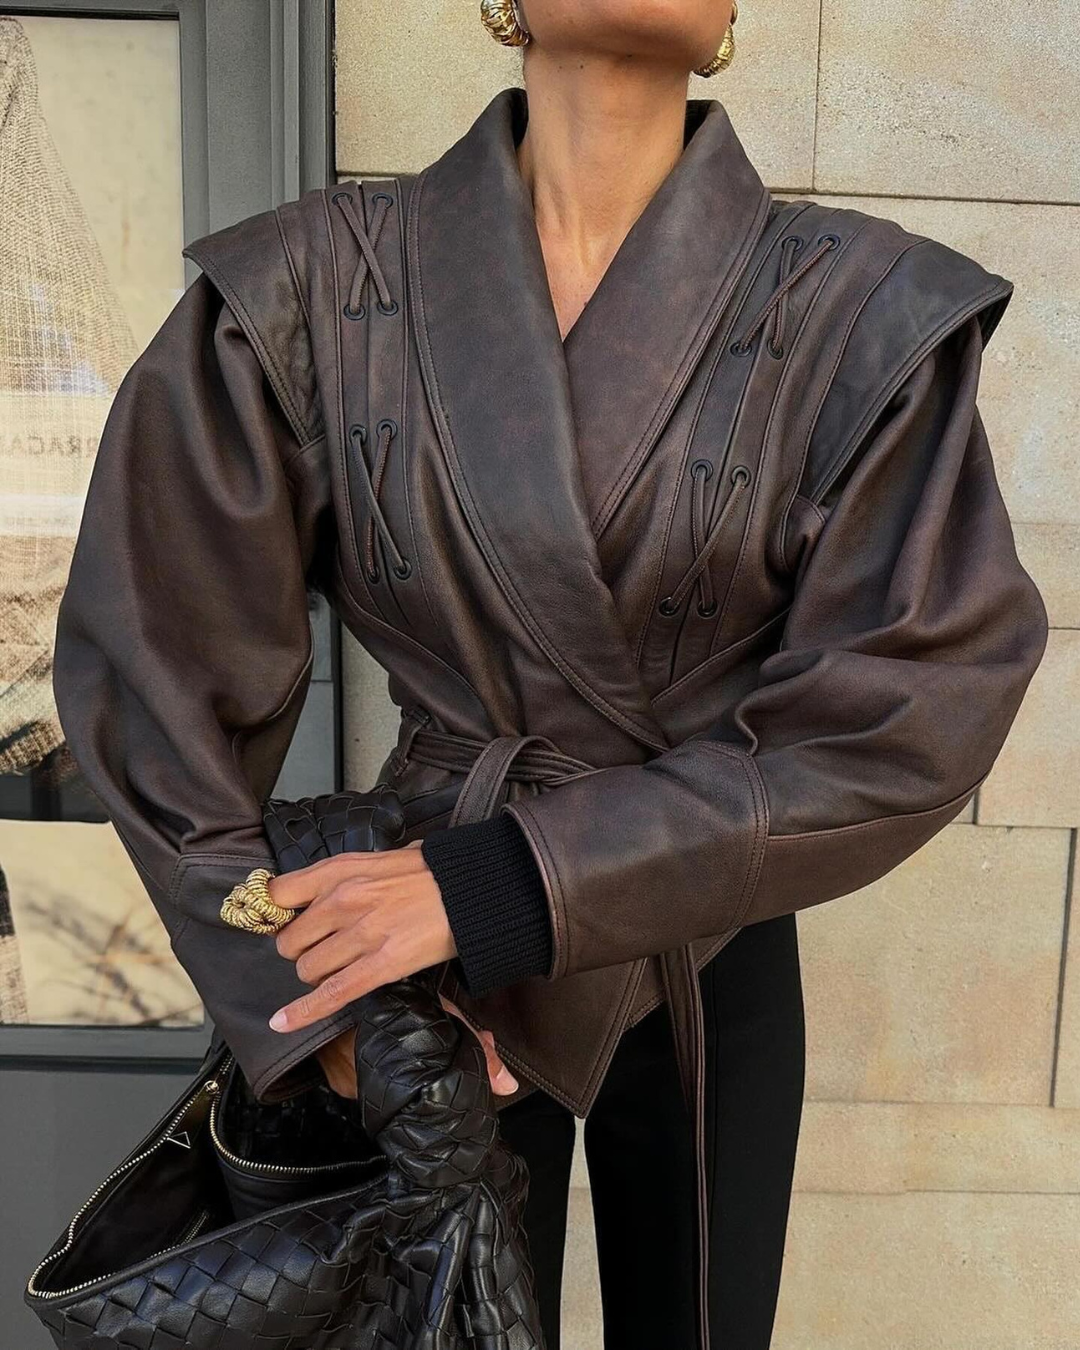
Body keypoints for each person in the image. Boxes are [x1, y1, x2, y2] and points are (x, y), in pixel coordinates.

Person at [51, 3, 1049, 1347]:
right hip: (418, 977)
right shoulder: (306, 289)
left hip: (710, 934)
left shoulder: (865, 314)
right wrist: (313, 1001)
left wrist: (508, 883)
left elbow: (917, 700)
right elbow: (150, 669)